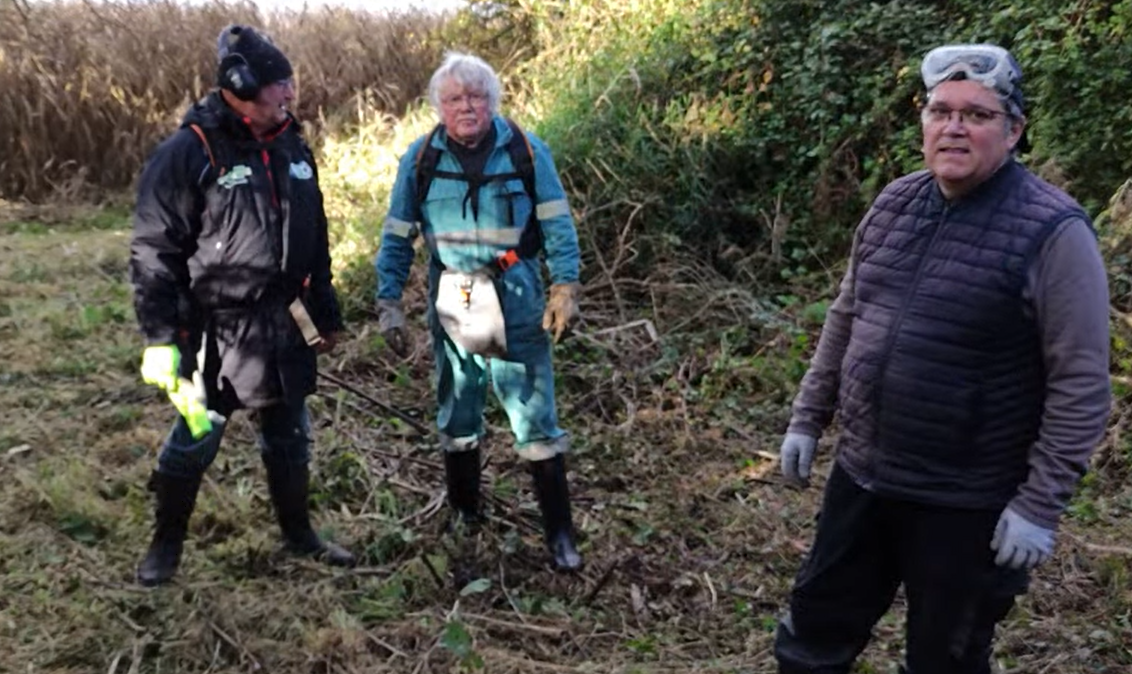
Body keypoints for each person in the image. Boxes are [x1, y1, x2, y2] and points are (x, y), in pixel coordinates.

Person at [773, 43, 1111, 673]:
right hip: (865, 478)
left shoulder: (1055, 232)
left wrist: (1039, 506)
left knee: (944, 661)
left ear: (1013, 132)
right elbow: (848, 317)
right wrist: (806, 417)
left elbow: (1082, 384)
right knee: (811, 640)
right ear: (924, 123)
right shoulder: (894, 204)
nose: (954, 126)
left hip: (967, 503)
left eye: (978, 115)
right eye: (940, 111)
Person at [129, 24, 355, 586]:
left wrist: (324, 312)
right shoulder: (190, 151)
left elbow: (315, 235)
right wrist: (161, 337)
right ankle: (165, 548)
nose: (288, 96)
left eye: (289, 84)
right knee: (196, 434)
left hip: (284, 321)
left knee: (290, 433)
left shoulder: (292, 146)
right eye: (277, 88)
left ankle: (298, 535)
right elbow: (154, 249)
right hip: (212, 328)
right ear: (237, 89)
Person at [374, 52, 583, 572]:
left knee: (533, 410)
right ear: (438, 107)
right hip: (458, 294)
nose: (466, 106)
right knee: (460, 404)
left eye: (476, 96)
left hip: (515, 289)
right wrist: (389, 301)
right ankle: (467, 520)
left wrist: (565, 285)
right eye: (454, 98)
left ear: (493, 100)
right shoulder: (419, 159)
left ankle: (560, 537)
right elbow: (398, 233)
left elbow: (556, 220)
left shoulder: (526, 150)